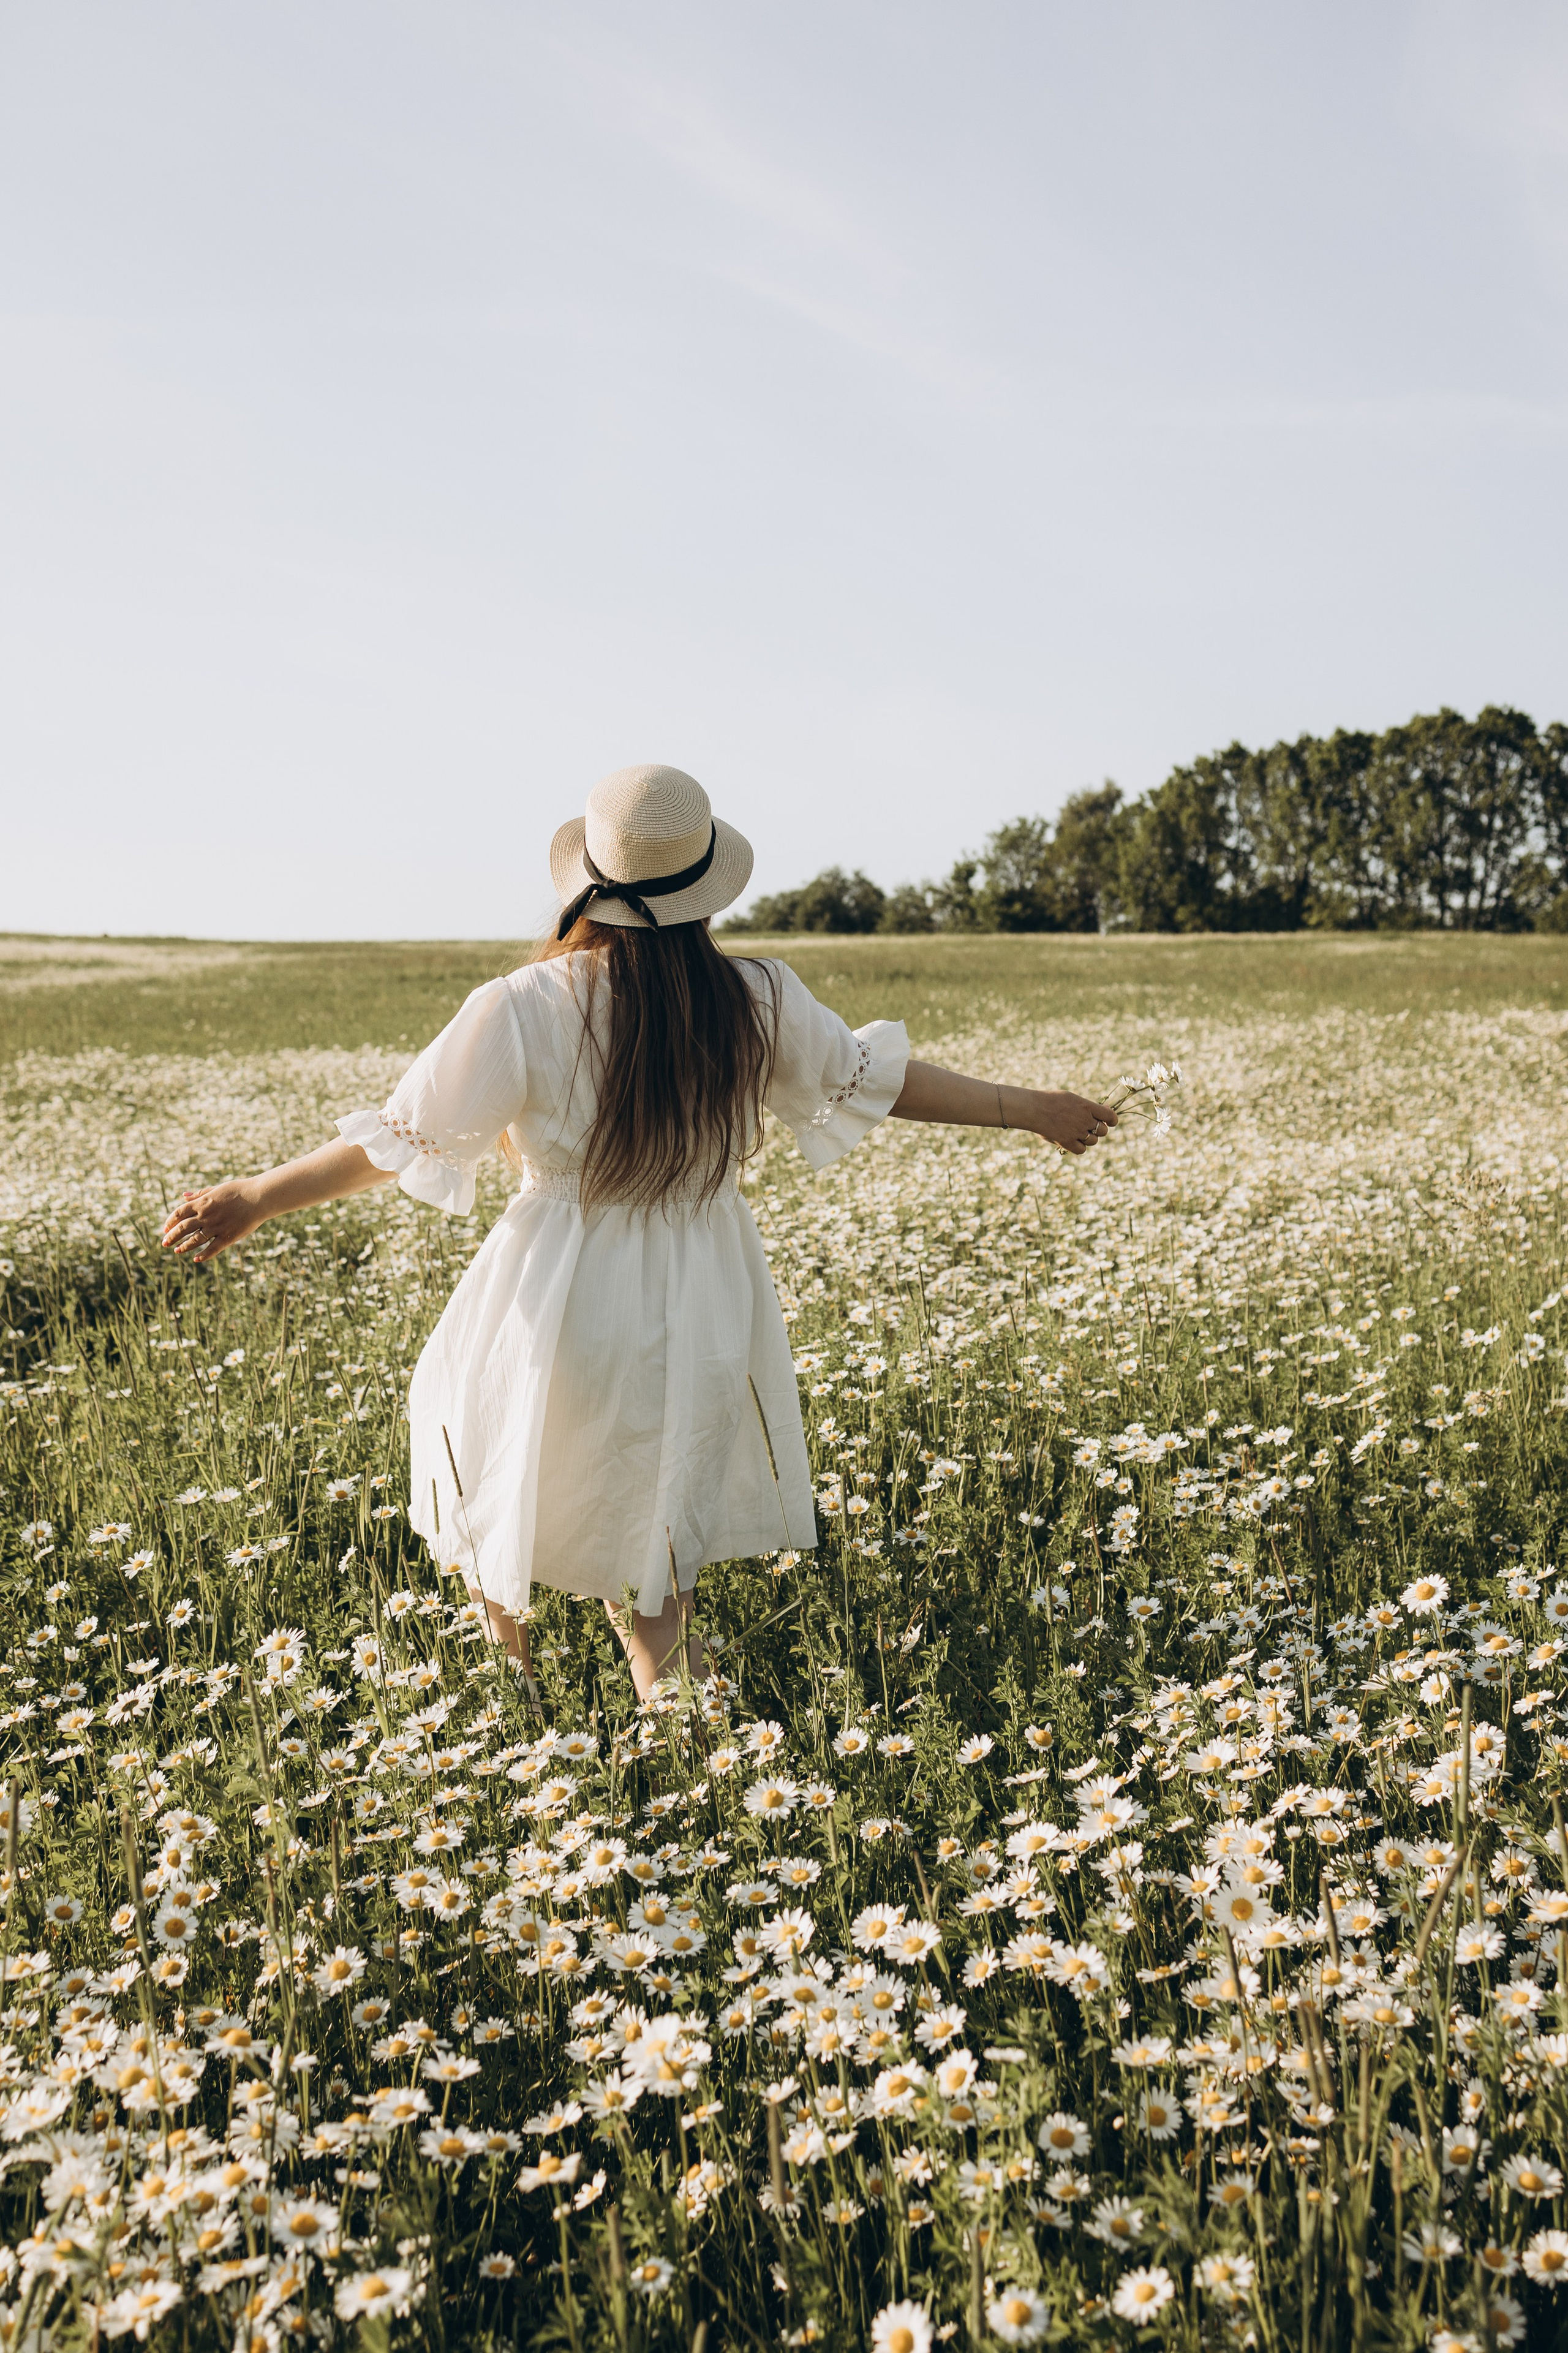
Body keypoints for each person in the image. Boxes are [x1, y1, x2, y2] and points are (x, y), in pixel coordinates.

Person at [161, 765, 1117, 1701]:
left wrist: (254, 1195)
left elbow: (404, 1140)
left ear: (586, 886)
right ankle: (684, 1725)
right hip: (702, 1292)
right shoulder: (755, 998)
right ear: (704, 891)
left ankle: (510, 1698)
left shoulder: (522, 1006)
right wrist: (1031, 1109)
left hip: (554, 1287)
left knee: (498, 1473)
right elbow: (880, 1079)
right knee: (658, 1551)